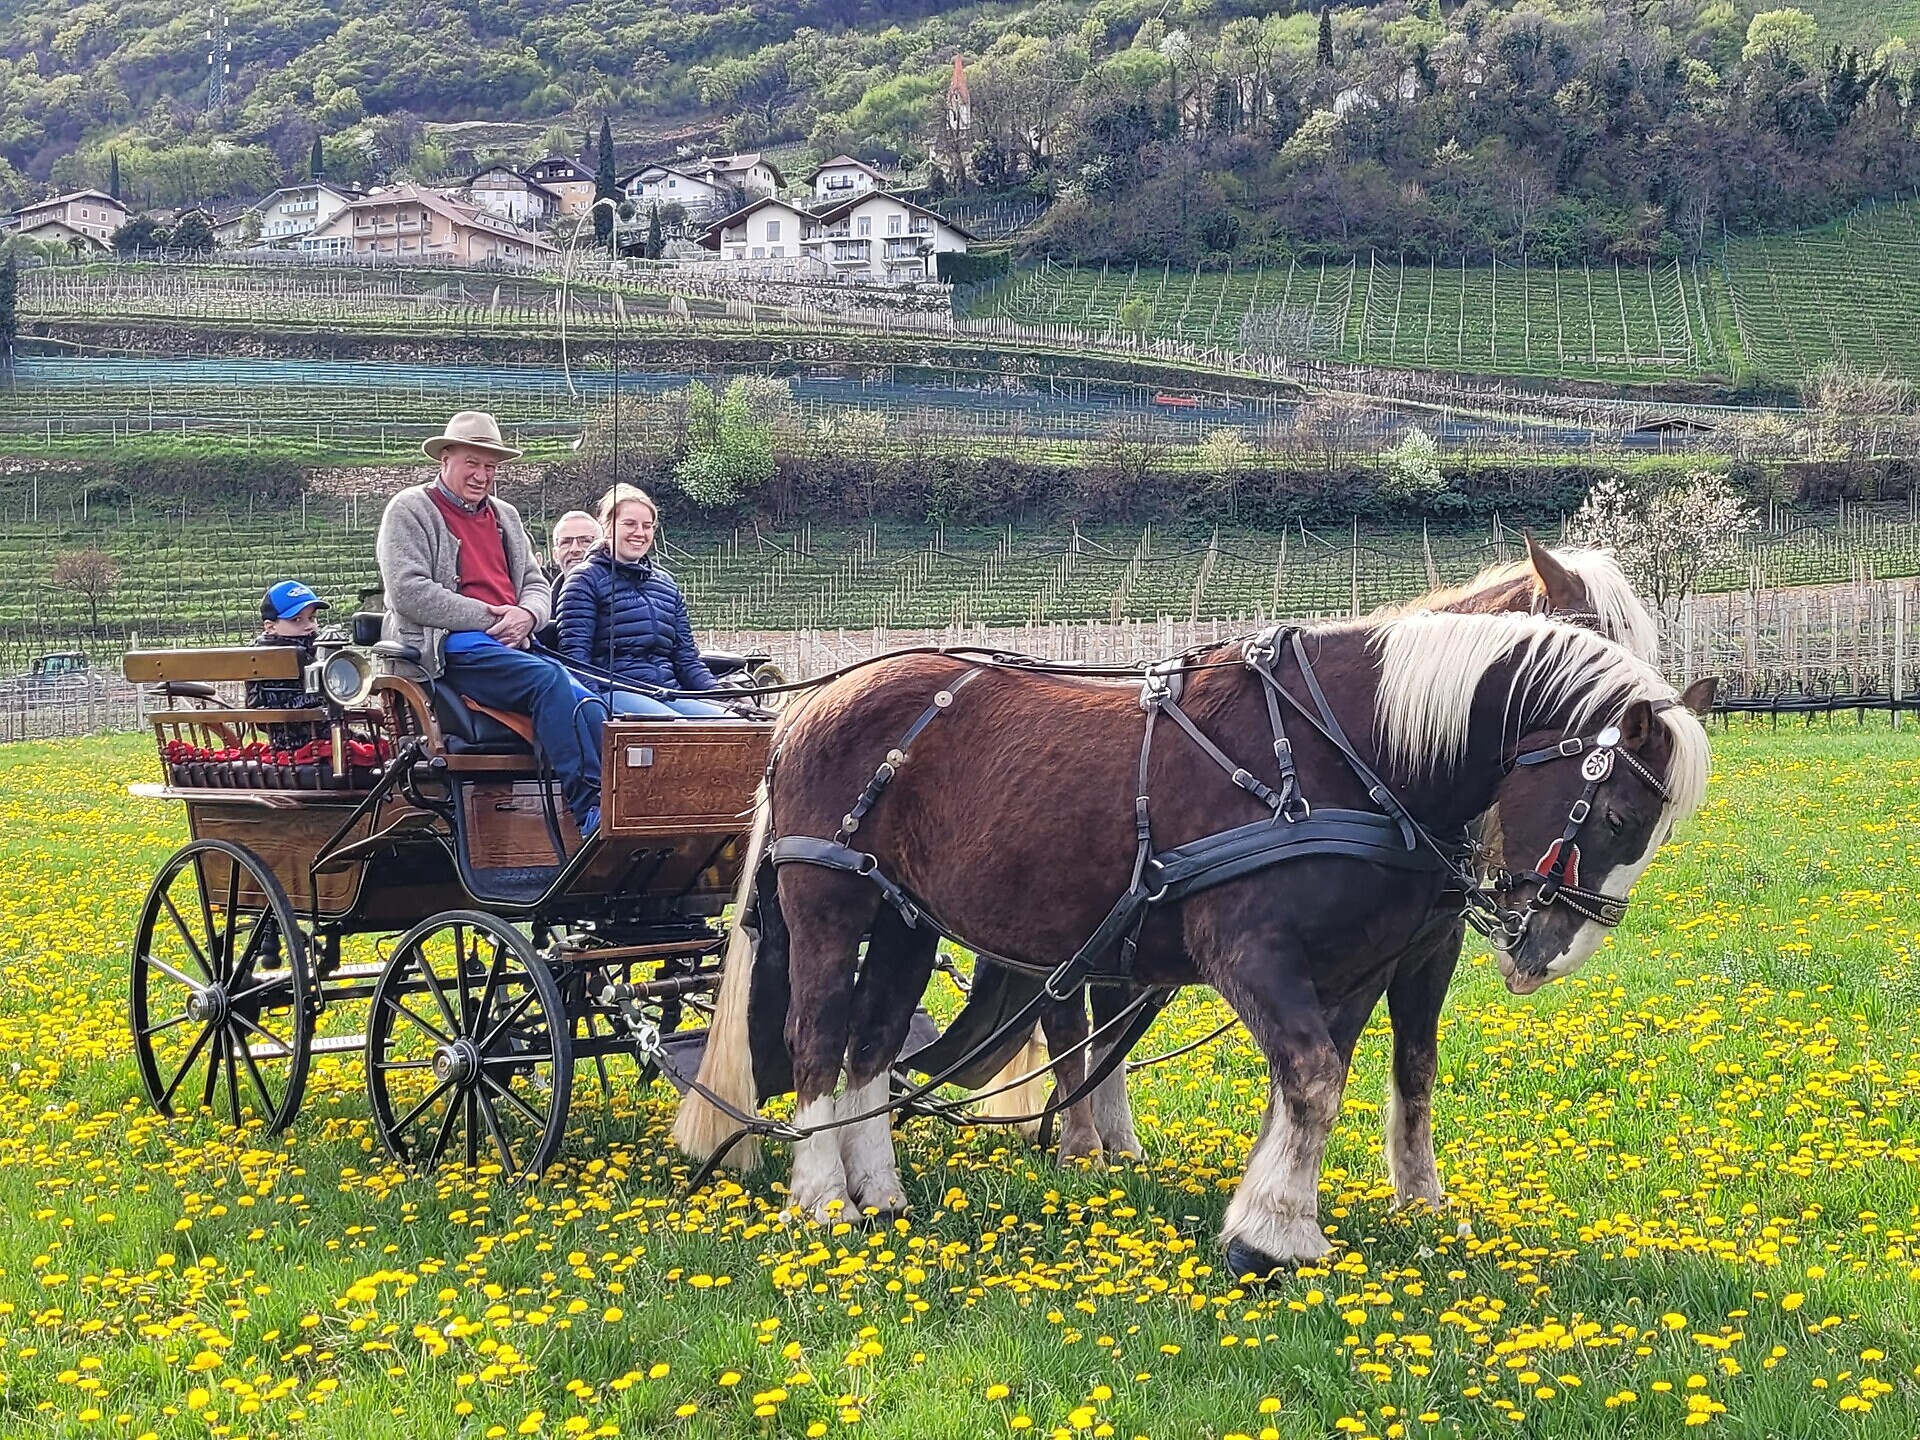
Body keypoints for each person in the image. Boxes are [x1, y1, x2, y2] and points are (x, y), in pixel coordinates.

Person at [377, 410, 605, 837]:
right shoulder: (409, 510)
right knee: (548, 682)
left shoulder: (506, 516)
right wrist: (491, 617)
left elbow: (537, 585)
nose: (482, 475)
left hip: (513, 642)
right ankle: (589, 810)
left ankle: (615, 806)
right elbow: (408, 592)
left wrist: (528, 615)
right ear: (445, 458)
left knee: (592, 706)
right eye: (472, 463)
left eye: (490, 467)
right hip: (451, 647)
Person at [557, 484, 729, 718]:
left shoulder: (666, 584)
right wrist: (596, 711)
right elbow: (576, 659)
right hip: (616, 692)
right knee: (678, 730)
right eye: (629, 524)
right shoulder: (585, 580)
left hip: (669, 693)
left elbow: (687, 659)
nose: (640, 532)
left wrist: (723, 699)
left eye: (647, 526)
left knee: (734, 723)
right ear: (607, 528)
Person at [546, 510, 600, 582]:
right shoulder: (544, 593)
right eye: (566, 542)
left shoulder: (617, 592)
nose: (574, 549)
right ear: (555, 555)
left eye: (585, 541)